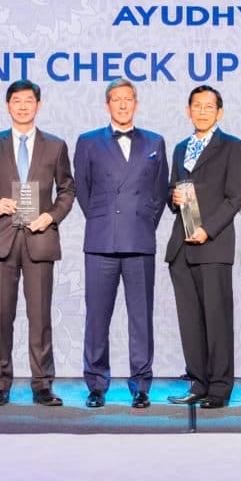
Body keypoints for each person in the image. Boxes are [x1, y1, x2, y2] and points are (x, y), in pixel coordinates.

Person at [0, 79, 75, 407]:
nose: (23, 106)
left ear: (38, 105)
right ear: (7, 105)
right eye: (17, 100)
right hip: (3, 238)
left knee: (40, 317)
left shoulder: (55, 146)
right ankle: (0, 384)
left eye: (29, 100)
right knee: (1, 316)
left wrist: (51, 216)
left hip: (40, 238)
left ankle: (42, 385)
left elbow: (67, 190)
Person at [73, 79, 169, 409]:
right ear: (107, 105)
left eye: (129, 99)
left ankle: (141, 385)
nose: (123, 104)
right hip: (101, 240)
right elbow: (83, 190)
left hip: (139, 239)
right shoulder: (88, 141)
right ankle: (96, 384)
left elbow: (159, 192)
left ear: (136, 104)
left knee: (141, 317)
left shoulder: (155, 141)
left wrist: (142, 221)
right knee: (97, 317)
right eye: (117, 99)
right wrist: (104, 220)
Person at [165, 85, 241, 409]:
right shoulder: (180, 148)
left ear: (219, 112)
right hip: (181, 247)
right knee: (190, 322)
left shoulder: (233, 147)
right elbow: (172, 190)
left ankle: (219, 389)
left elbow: (235, 197)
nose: (202, 111)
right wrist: (172, 197)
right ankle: (198, 383)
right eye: (196, 106)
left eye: (208, 106)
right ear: (188, 111)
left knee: (217, 320)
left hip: (212, 246)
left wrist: (207, 230)